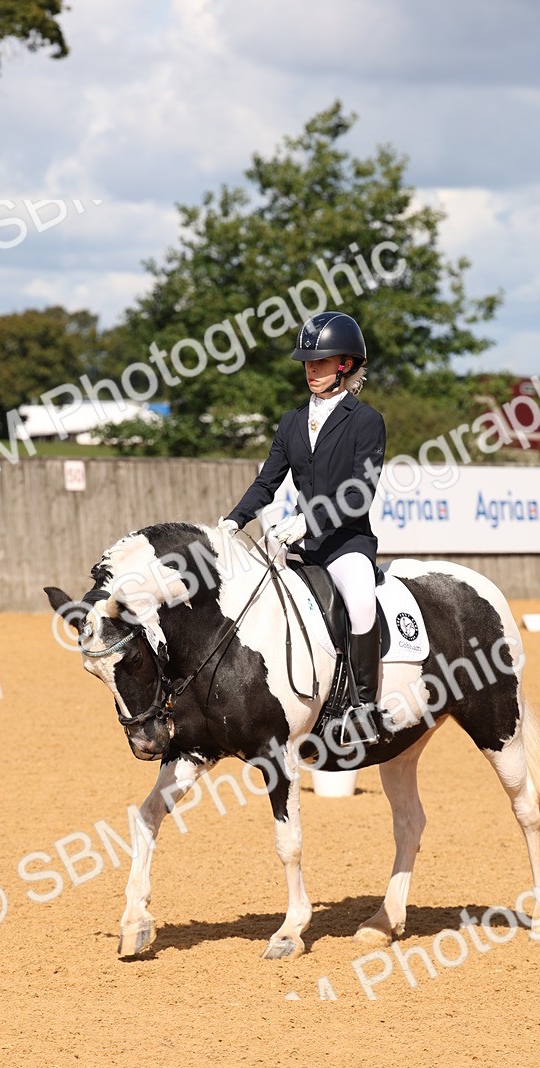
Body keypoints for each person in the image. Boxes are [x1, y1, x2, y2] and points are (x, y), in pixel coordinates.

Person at [219, 310, 386, 747]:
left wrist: (309, 522)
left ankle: (364, 710)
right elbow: (267, 482)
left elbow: (359, 495)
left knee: (361, 603)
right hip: (297, 543)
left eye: (321, 362)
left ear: (345, 365)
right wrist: (235, 519)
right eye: (308, 363)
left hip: (345, 543)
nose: (311, 370)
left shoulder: (365, 420)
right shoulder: (291, 421)